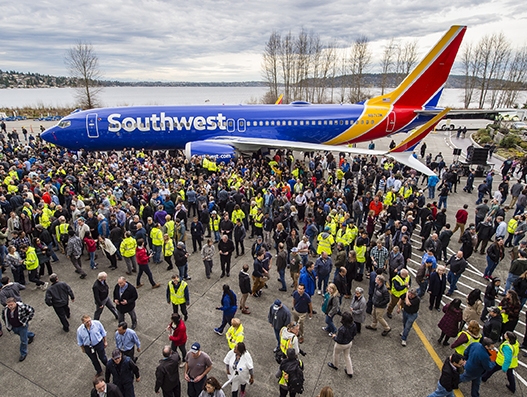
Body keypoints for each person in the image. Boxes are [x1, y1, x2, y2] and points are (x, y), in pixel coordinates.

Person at [2, 297, 35, 361]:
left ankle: (23, 353)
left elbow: (31, 311)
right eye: (8, 305)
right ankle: (31, 335)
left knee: (23, 340)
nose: (10, 306)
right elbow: (4, 317)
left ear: (15, 303)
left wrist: (26, 320)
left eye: (11, 305)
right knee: (22, 334)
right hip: (14, 327)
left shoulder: (22, 307)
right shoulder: (5, 310)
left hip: (22, 326)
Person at [327, 311, 356, 377]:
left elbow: (339, 340)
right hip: (349, 343)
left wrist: (334, 337)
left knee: (336, 354)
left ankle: (335, 365)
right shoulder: (354, 325)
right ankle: (350, 371)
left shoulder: (342, 329)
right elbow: (354, 333)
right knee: (347, 356)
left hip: (341, 345)